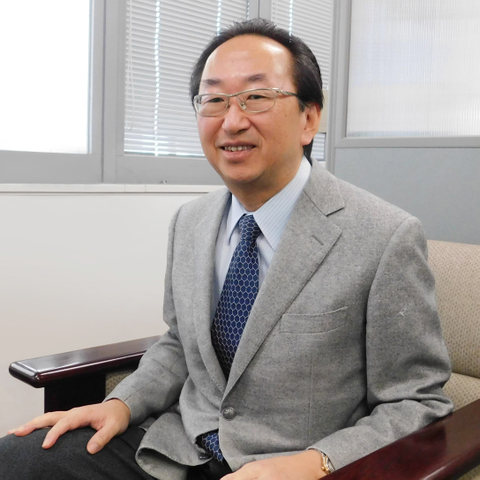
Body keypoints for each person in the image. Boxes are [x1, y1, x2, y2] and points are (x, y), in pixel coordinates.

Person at [0, 18, 453, 480]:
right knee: (17, 458)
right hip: (178, 450)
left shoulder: (384, 236)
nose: (232, 121)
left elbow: (416, 403)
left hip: (292, 466)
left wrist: (312, 464)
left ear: (309, 118)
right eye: (214, 100)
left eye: (256, 97)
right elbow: (180, 345)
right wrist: (121, 403)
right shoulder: (190, 222)